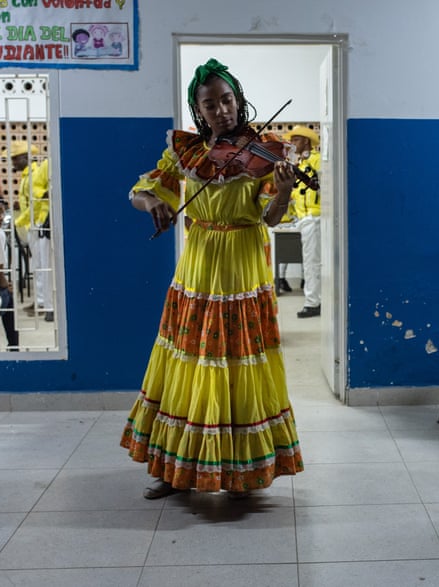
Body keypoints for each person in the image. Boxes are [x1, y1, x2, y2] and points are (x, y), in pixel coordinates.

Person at [120, 58, 304, 500]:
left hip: (243, 264)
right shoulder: (186, 151)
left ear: (239, 100)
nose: (221, 110)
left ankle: (242, 471)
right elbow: (142, 191)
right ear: (197, 109)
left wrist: (282, 190)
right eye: (210, 104)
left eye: (227, 100)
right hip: (199, 265)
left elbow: (272, 218)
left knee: (239, 359)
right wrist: (154, 203)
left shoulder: (266, 152)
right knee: (190, 359)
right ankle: (177, 469)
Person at [8, 140, 54, 322]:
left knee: (44, 266)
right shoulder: (27, 176)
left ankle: (48, 305)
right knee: (38, 266)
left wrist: (20, 220)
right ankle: (41, 302)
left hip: (40, 223)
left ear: (25, 158)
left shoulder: (36, 173)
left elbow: (37, 202)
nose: (13, 163)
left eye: (15, 158)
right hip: (33, 224)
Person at [283, 125, 322, 318]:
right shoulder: (300, 163)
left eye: (296, 140)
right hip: (304, 220)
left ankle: (313, 303)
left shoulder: (316, 160)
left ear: (306, 141)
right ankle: (315, 300)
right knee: (311, 262)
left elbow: (323, 186)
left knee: (312, 263)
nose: (292, 143)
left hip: (314, 218)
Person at [0, 198, 19, 350]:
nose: (1, 217)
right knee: (9, 298)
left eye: (2, 213)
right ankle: (14, 346)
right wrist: (7, 285)